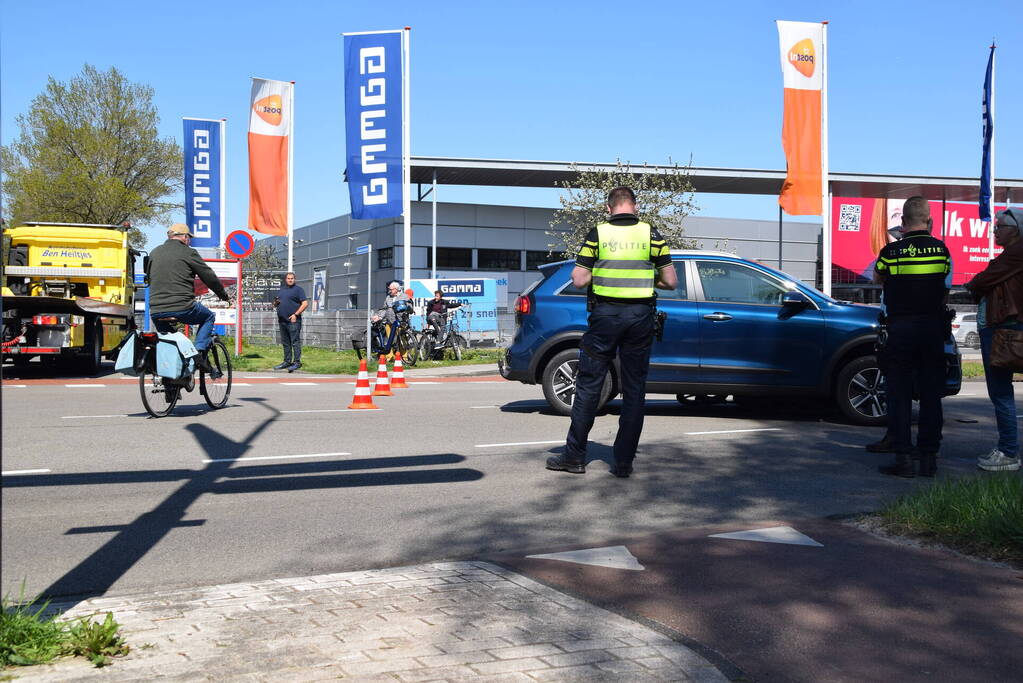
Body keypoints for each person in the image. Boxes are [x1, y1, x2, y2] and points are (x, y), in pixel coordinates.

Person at [546, 186, 677, 477]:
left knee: (589, 386)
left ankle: (574, 457)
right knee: (634, 390)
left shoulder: (599, 233)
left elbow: (578, 279)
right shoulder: (652, 235)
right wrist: (645, 273)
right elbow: (670, 281)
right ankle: (623, 463)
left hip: (604, 317)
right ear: (635, 206)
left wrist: (602, 270)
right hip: (640, 318)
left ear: (609, 208)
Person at [872, 196, 951, 477]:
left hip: (901, 329)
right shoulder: (941, 251)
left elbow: (876, 279)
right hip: (931, 328)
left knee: (899, 394)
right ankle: (928, 458)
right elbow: (945, 287)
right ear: (929, 221)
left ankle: (903, 458)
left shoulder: (891, 252)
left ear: (902, 222)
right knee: (931, 394)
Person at [964, 207, 1023, 472]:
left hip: (1003, 331)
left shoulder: (1015, 253)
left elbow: (980, 281)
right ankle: (1007, 448)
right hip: (1002, 329)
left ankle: (1008, 452)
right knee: (1001, 392)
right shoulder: (1011, 254)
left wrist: (976, 284)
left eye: (1000, 226)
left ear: (1016, 229)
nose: (995, 229)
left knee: (1000, 393)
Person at [147, 223, 230, 372]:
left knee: (170, 342)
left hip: (156, 310)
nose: (189, 240)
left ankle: (171, 386)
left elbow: (149, 278)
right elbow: (208, 276)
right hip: (183, 307)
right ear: (185, 237)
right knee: (208, 317)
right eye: (189, 237)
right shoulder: (188, 252)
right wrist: (222, 295)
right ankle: (199, 353)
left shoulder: (154, 252)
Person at [274, 273, 309, 372]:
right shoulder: (282, 290)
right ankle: (287, 362)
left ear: (295, 279)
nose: (290, 280)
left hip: (293, 321)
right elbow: (276, 303)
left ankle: (297, 362)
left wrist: (296, 314)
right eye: (288, 278)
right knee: (286, 343)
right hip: (282, 320)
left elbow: (305, 303)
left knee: (295, 342)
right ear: (286, 279)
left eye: (292, 278)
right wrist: (276, 303)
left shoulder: (298, 290)